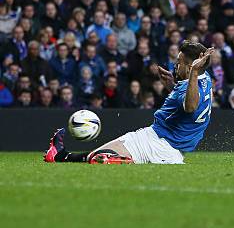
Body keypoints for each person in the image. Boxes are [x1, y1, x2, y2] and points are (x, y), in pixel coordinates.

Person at [44, 41, 214, 164]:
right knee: (99, 153)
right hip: (157, 137)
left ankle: (117, 161)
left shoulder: (191, 82)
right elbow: (188, 101)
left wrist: (191, 72)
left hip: (161, 145)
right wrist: (172, 84)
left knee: (100, 158)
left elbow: (191, 107)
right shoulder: (204, 78)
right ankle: (61, 155)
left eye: (179, 63)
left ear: (193, 66)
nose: (175, 66)